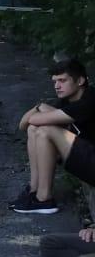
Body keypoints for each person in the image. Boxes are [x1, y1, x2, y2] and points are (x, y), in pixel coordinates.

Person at [11, 59, 95, 215]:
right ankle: (34, 189)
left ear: (81, 81)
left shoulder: (90, 99)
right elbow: (24, 126)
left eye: (62, 80)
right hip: (86, 157)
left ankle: (44, 199)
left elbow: (34, 119)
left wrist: (42, 108)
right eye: (55, 81)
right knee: (33, 130)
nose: (57, 86)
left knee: (45, 130)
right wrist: (39, 107)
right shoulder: (66, 101)